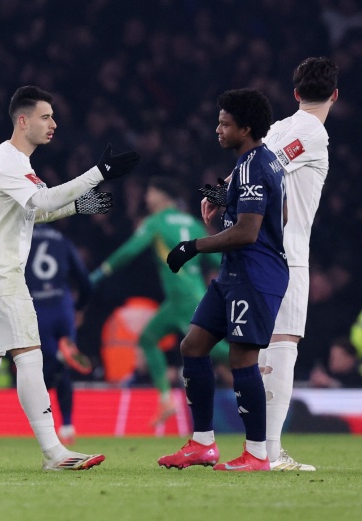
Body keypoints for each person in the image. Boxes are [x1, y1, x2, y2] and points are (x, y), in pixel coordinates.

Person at [0, 85, 139, 470]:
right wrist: (98, 173)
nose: (54, 124)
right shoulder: (8, 160)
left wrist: (79, 206)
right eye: (46, 117)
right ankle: (53, 452)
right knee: (30, 356)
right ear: (23, 120)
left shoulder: (14, 163)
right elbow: (44, 201)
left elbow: (38, 211)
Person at [202, 57, 338, 471]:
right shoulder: (312, 131)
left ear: (296, 93)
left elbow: (254, 162)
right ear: (334, 95)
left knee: (254, 348)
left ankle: (256, 448)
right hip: (286, 254)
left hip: (254, 251)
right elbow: (269, 164)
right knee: (282, 344)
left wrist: (219, 193)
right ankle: (269, 451)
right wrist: (222, 193)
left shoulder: (277, 127)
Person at [159, 88, 287, 472]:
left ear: (245, 129)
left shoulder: (253, 166)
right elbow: (279, 213)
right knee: (193, 345)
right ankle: (202, 444)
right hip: (233, 274)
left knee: (241, 358)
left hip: (254, 274)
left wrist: (193, 246)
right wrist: (225, 196)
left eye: (225, 124)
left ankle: (257, 453)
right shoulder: (261, 162)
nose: (218, 129)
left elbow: (248, 232)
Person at [89, 176, 228, 425]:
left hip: (182, 298)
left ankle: (259, 366)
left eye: (150, 192)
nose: (146, 197)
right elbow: (217, 259)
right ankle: (165, 400)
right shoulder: (194, 223)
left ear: (162, 196)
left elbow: (130, 250)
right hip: (191, 295)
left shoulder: (156, 223)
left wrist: (100, 272)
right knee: (148, 338)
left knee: (215, 350)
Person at [25, 223, 93, 445]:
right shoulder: (62, 240)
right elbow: (84, 280)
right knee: (62, 368)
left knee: (39, 367)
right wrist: (78, 308)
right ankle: (67, 425)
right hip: (63, 308)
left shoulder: (21, 238)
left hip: (37, 308)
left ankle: (44, 427)